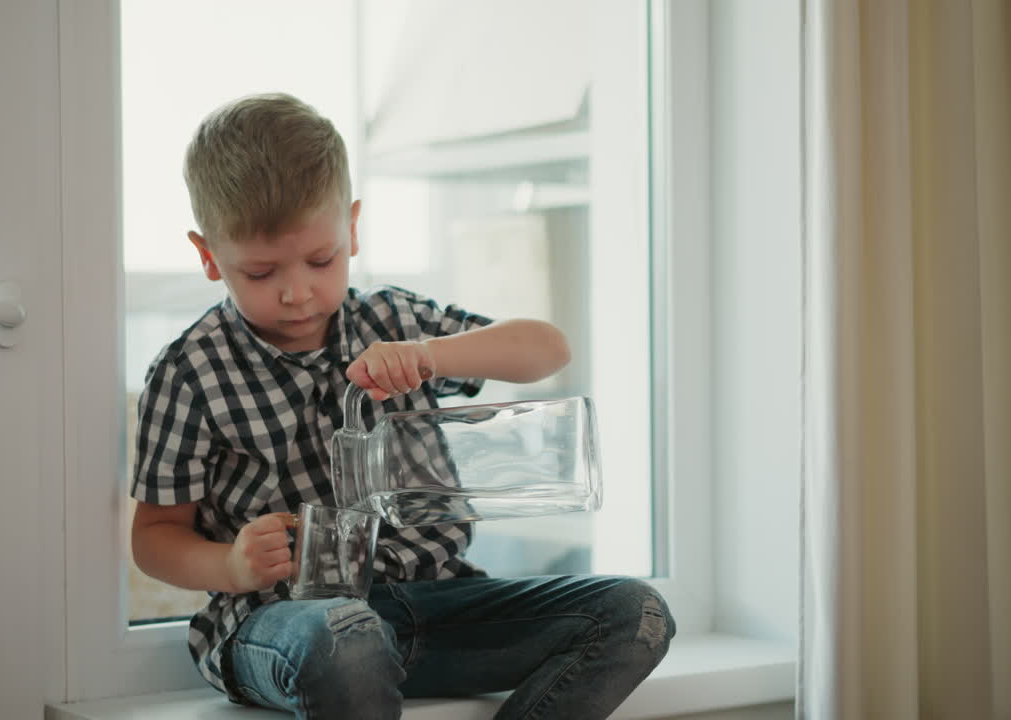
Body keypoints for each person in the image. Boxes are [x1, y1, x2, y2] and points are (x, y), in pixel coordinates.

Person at [129, 92, 675, 720]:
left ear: (352, 228)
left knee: (638, 614)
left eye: (321, 259)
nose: (297, 291)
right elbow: (154, 539)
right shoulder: (188, 372)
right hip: (289, 624)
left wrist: (430, 355)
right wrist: (230, 564)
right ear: (208, 257)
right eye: (260, 272)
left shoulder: (393, 320)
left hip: (438, 606)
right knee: (345, 636)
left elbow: (547, 349)